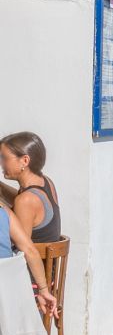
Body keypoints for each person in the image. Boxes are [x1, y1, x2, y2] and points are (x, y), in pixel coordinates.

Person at [0, 133, 60, 317]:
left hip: (30, 282)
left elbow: (20, 249)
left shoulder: (26, 201)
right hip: (47, 273)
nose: (1, 163)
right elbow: (20, 198)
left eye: (4, 158)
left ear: (24, 160)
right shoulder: (45, 183)